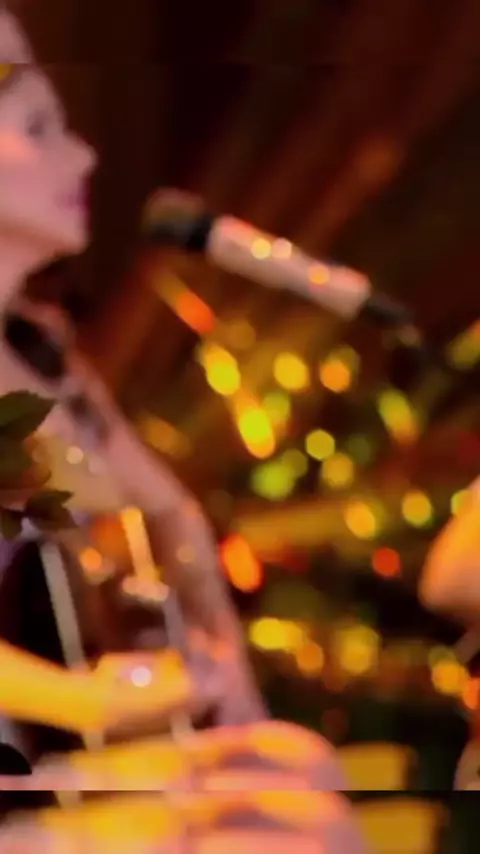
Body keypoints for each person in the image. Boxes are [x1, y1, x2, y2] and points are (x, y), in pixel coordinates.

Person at [0, 6, 265, 743]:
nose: (82, 157)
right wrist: (81, 702)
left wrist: (234, 709)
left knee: (297, 773)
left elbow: (172, 520)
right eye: (39, 129)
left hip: (61, 765)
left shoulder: (40, 351)